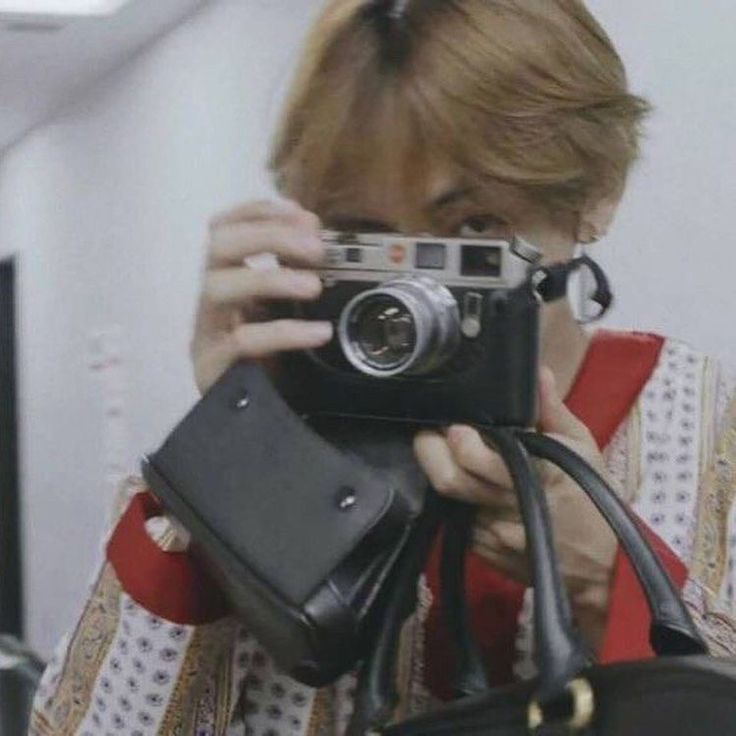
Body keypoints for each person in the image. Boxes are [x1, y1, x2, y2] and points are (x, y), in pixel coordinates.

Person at [29, 1, 736, 734]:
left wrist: (600, 574)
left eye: (472, 229)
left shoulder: (709, 422)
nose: (412, 288)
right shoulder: (287, 409)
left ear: (596, 194)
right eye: (363, 236)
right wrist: (227, 450)